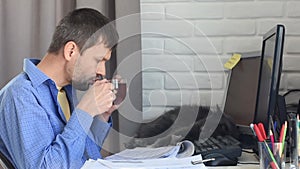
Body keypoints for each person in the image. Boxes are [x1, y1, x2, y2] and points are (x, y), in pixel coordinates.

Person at [0, 8, 119, 169]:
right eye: (98, 60)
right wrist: (85, 111)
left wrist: (101, 117)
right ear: (71, 51)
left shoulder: (67, 91)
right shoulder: (21, 95)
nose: (102, 72)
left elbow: (83, 157)